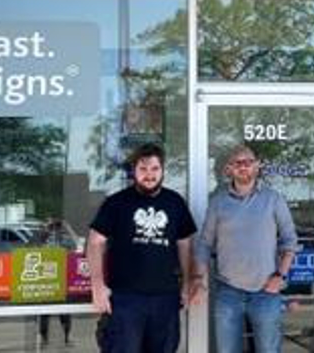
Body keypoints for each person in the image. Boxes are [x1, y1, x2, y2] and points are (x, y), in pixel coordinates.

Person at [87, 143, 197, 353]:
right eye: (143, 169)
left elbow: (184, 244)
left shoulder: (175, 203)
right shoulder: (116, 203)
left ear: (162, 170)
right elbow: (94, 242)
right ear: (134, 171)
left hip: (166, 298)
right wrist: (97, 286)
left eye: (155, 169)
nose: (149, 175)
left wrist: (186, 283)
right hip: (125, 299)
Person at [193, 144, 298, 353]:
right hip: (227, 293)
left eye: (248, 162)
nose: (243, 167)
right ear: (229, 169)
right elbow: (204, 243)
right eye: (237, 163)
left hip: (266, 292)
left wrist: (280, 275)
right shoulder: (218, 202)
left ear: (257, 166)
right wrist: (198, 280)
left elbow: (290, 241)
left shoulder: (273, 199)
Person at [37, 217, 77, 346]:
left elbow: (75, 245)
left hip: (61, 277)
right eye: (54, 226)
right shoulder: (45, 238)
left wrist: (67, 227)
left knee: (64, 310)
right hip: (46, 278)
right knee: (44, 311)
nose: (55, 228)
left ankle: (67, 336)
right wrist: (45, 228)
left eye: (56, 226)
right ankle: (43, 338)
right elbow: (35, 244)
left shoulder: (64, 239)